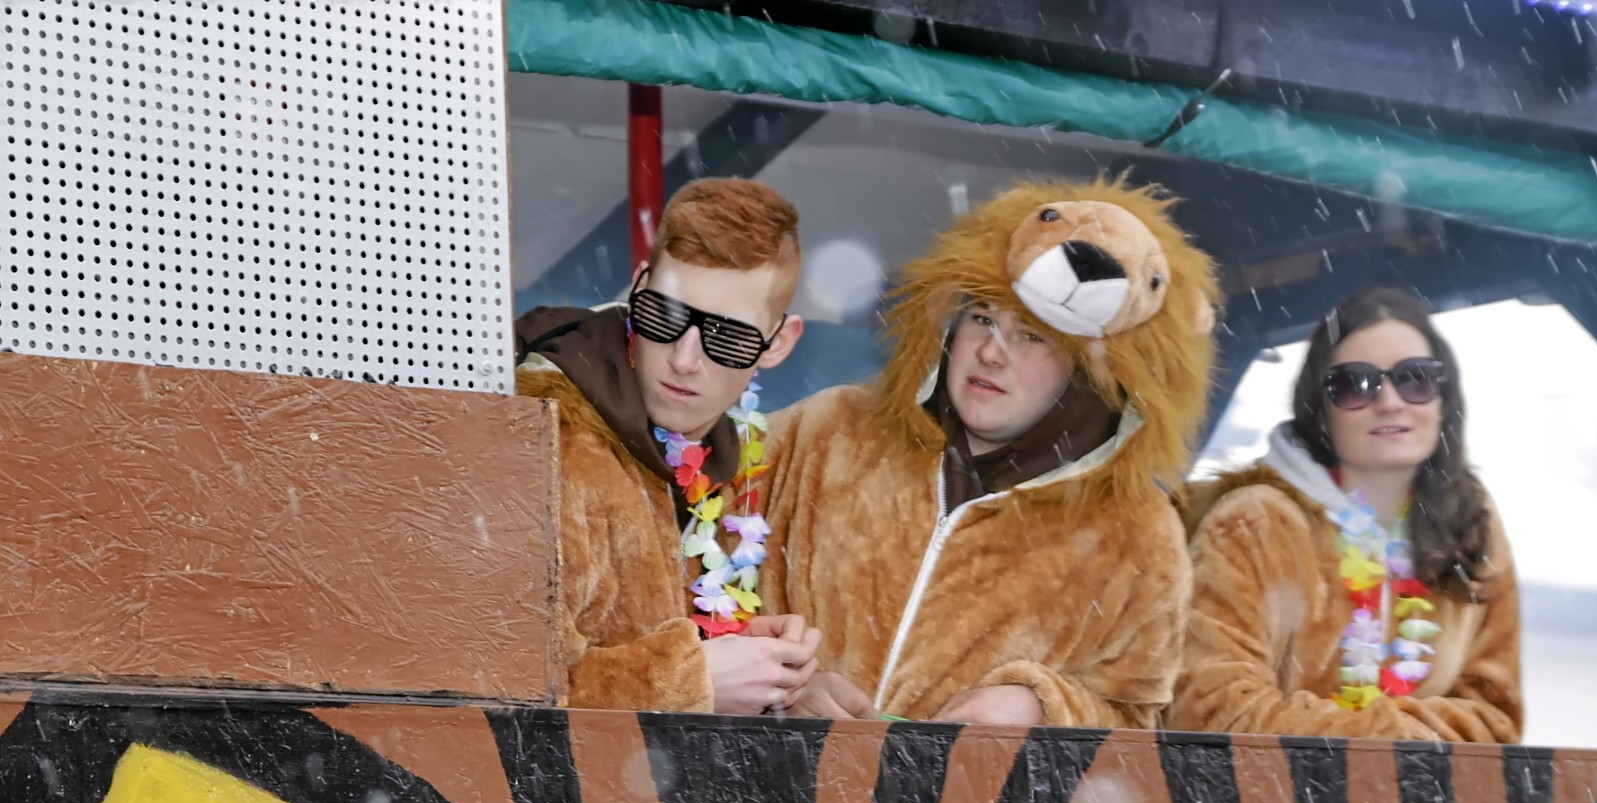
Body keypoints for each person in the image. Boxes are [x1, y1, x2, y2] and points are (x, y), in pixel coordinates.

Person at [762, 177, 1220, 727]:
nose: (991, 353)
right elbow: (695, 563)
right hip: (757, 778)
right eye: (982, 318)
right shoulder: (827, 430)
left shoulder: (1139, 535)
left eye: (1033, 336)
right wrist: (778, 685)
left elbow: (1135, 722)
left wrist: (1044, 710)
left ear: (1090, 375)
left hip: (968, 791)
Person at [515, 178, 821, 714]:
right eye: (665, 315)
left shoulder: (730, 466)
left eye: (728, 338)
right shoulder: (545, 443)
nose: (684, 359)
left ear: (779, 343)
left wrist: (761, 668)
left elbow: (634, 629)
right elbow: (499, 690)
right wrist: (691, 680)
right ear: (639, 286)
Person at [1169, 286, 1522, 742]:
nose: (1390, 401)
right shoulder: (1255, 523)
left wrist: (1399, 749)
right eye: (1356, 384)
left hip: (1422, 790)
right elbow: (1211, 713)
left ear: (1444, 399)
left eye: (1416, 379)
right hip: (1266, 789)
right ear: (1321, 409)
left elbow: (1496, 720)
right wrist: (1389, 737)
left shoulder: (1471, 520)